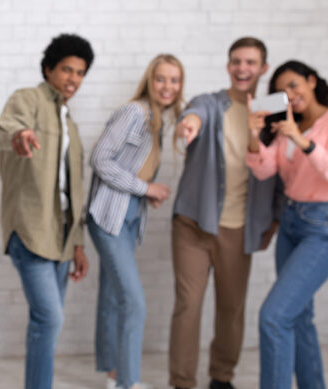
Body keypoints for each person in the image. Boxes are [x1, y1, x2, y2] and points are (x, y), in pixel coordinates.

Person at [169, 37, 283, 389]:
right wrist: (188, 125)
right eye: (236, 61)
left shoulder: (274, 117)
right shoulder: (211, 103)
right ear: (228, 65)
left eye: (250, 62)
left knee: (231, 310)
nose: (242, 68)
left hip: (239, 230)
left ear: (263, 68)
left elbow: (282, 172)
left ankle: (221, 377)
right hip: (193, 224)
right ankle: (182, 382)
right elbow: (195, 115)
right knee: (189, 304)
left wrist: (274, 219)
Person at [246, 60, 328, 389]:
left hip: (325, 227)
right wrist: (255, 136)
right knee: (297, 318)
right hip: (292, 224)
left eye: (294, 85)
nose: (290, 94)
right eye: (282, 92)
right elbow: (264, 170)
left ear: (311, 81)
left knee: (274, 316)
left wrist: (303, 140)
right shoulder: (286, 126)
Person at [0, 33, 94, 389]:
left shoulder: (71, 124)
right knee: (49, 319)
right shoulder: (28, 99)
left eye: (80, 72)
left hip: (63, 238)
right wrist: (19, 135)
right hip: (30, 230)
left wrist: (78, 243)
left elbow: (73, 190)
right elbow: (3, 128)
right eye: (67, 69)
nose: (73, 79)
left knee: (48, 322)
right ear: (49, 68)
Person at [87, 54, 184, 389]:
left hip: (129, 217)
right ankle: (129, 381)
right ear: (149, 80)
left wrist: (146, 194)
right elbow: (99, 158)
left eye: (174, 80)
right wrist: (146, 187)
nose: (167, 86)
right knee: (134, 300)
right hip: (108, 217)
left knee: (115, 296)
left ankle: (114, 376)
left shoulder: (159, 121)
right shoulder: (135, 112)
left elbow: (130, 168)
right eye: (161, 79)